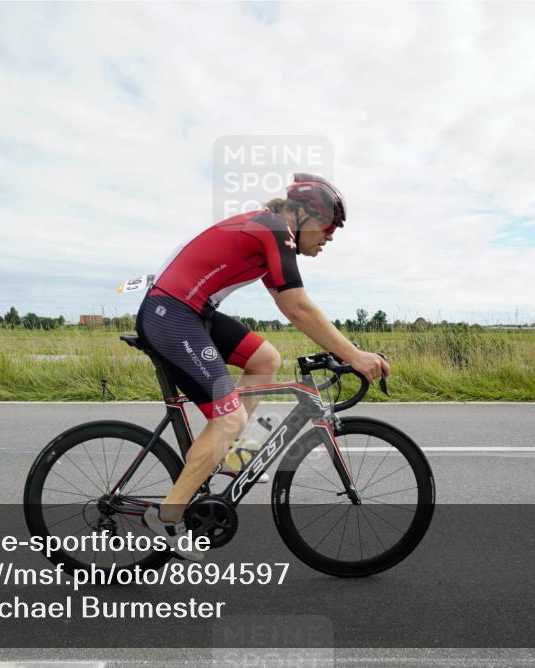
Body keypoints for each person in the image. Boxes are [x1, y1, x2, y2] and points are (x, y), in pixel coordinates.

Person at [135, 173, 390, 560]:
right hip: (171, 315)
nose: (331, 236)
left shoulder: (271, 234)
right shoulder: (273, 229)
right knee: (231, 419)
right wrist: (354, 357)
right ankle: (167, 516)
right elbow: (298, 307)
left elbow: (294, 308)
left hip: (191, 311)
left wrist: (344, 348)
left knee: (265, 359)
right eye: (329, 226)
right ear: (303, 216)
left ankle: (231, 457)